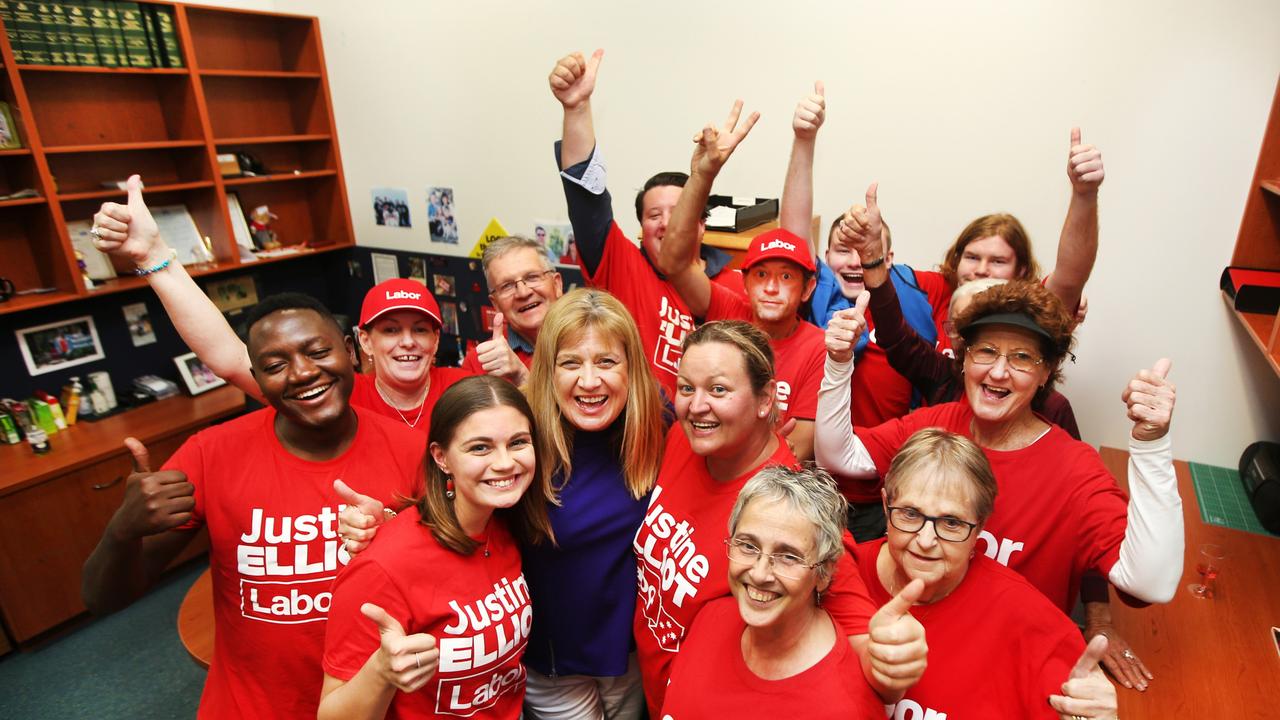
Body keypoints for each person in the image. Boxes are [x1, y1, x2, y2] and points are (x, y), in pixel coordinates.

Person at [81, 293, 427, 719]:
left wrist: (395, 534)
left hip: (375, 706)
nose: (302, 373)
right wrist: (122, 531)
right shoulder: (210, 453)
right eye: (275, 365)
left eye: (318, 352)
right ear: (256, 378)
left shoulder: (412, 450)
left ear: (350, 351)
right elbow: (103, 599)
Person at [332, 288, 668, 720]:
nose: (589, 380)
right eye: (570, 363)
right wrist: (392, 524)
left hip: (627, 651)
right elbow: (458, 494)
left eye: (606, 361)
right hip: (553, 661)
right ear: (547, 369)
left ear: (630, 368)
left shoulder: (654, 427)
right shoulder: (522, 438)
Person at [816, 280, 1184, 617]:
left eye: (1023, 358)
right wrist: (838, 363)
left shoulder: (1073, 470)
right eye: (986, 351)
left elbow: (1149, 582)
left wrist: (1152, 445)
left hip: (1007, 660)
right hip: (905, 638)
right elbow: (838, 456)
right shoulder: (936, 424)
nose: (998, 372)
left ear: (1046, 373)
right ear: (964, 358)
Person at [633, 320, 925, 716]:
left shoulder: (792, 510)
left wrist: (891, 660)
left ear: (765, 399)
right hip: (659, 692)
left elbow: (864, 654)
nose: (696, 405)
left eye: (718, 389)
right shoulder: (684, 441)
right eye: (686, 387)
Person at [89, 175, 473, 433]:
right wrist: (155, 259)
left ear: (437, 341)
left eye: (420, 329)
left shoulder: (467, 388)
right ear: (364, 342)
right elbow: (230, 358)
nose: (407, 342)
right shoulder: (337, 394)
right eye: (390, 330)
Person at [319, 376, 553, 719]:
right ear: (441, 457)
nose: (505, 462)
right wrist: (381, 672)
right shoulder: (383, 567)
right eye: (480, 447)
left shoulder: (504, 522)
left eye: (518, 442)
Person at [851, 428, 1118, 719]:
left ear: (979, 528)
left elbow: (1079, 703)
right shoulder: (840, 578)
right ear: (885, 506)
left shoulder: (1028, 620)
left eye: (951, 522)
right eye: (910, 514)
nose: (925, 541)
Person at [550, 49, 742, 397]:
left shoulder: (735, 287)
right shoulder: (625, 267)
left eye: (679, 212)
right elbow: (587, 199)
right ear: (641, 227)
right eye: (654, 215)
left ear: (701, 226)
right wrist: (576, 108)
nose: (666, 224)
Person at [657, 108, 826, 462]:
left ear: (807, 289)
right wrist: (702, 176)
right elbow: (674, 261)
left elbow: (800, 449)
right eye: (761, 275)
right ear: (744, 282)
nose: (771, 287)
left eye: (786, 277)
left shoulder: (817, 347)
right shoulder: (729, 313)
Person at [660, 466, 889, 719]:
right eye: (748, 545)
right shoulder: (711, 618)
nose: (759, 574)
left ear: (823, 572)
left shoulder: (844, 707)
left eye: (788, 557)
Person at [461, 236, 565, 385]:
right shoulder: (480, 362)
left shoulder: (592, 339)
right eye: (507, 286)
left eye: (532, 277)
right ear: (495, 304)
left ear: (557, 285)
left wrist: (521, 377)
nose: (523, 293)